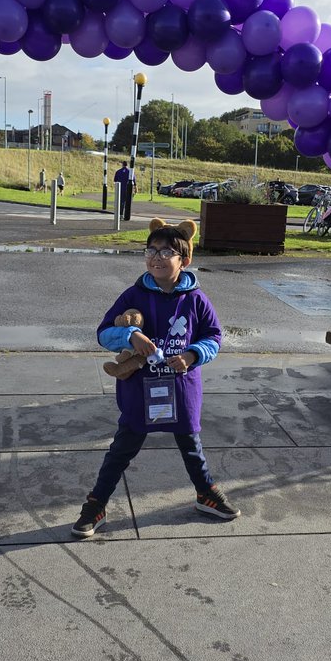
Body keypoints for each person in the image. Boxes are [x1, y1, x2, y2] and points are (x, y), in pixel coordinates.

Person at [71, 217, 241, 538]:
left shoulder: (196, 300)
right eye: (151, 251)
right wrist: (132, 336)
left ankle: (206, 493)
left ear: (184, 260)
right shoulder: (132, 295)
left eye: (166, 253)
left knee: (191, 447)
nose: (156, 258)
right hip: (140, 390)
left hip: (181, 389)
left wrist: (192, 355)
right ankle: (96, 504)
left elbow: (215, 337)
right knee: (121, 450)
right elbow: (104, 333)